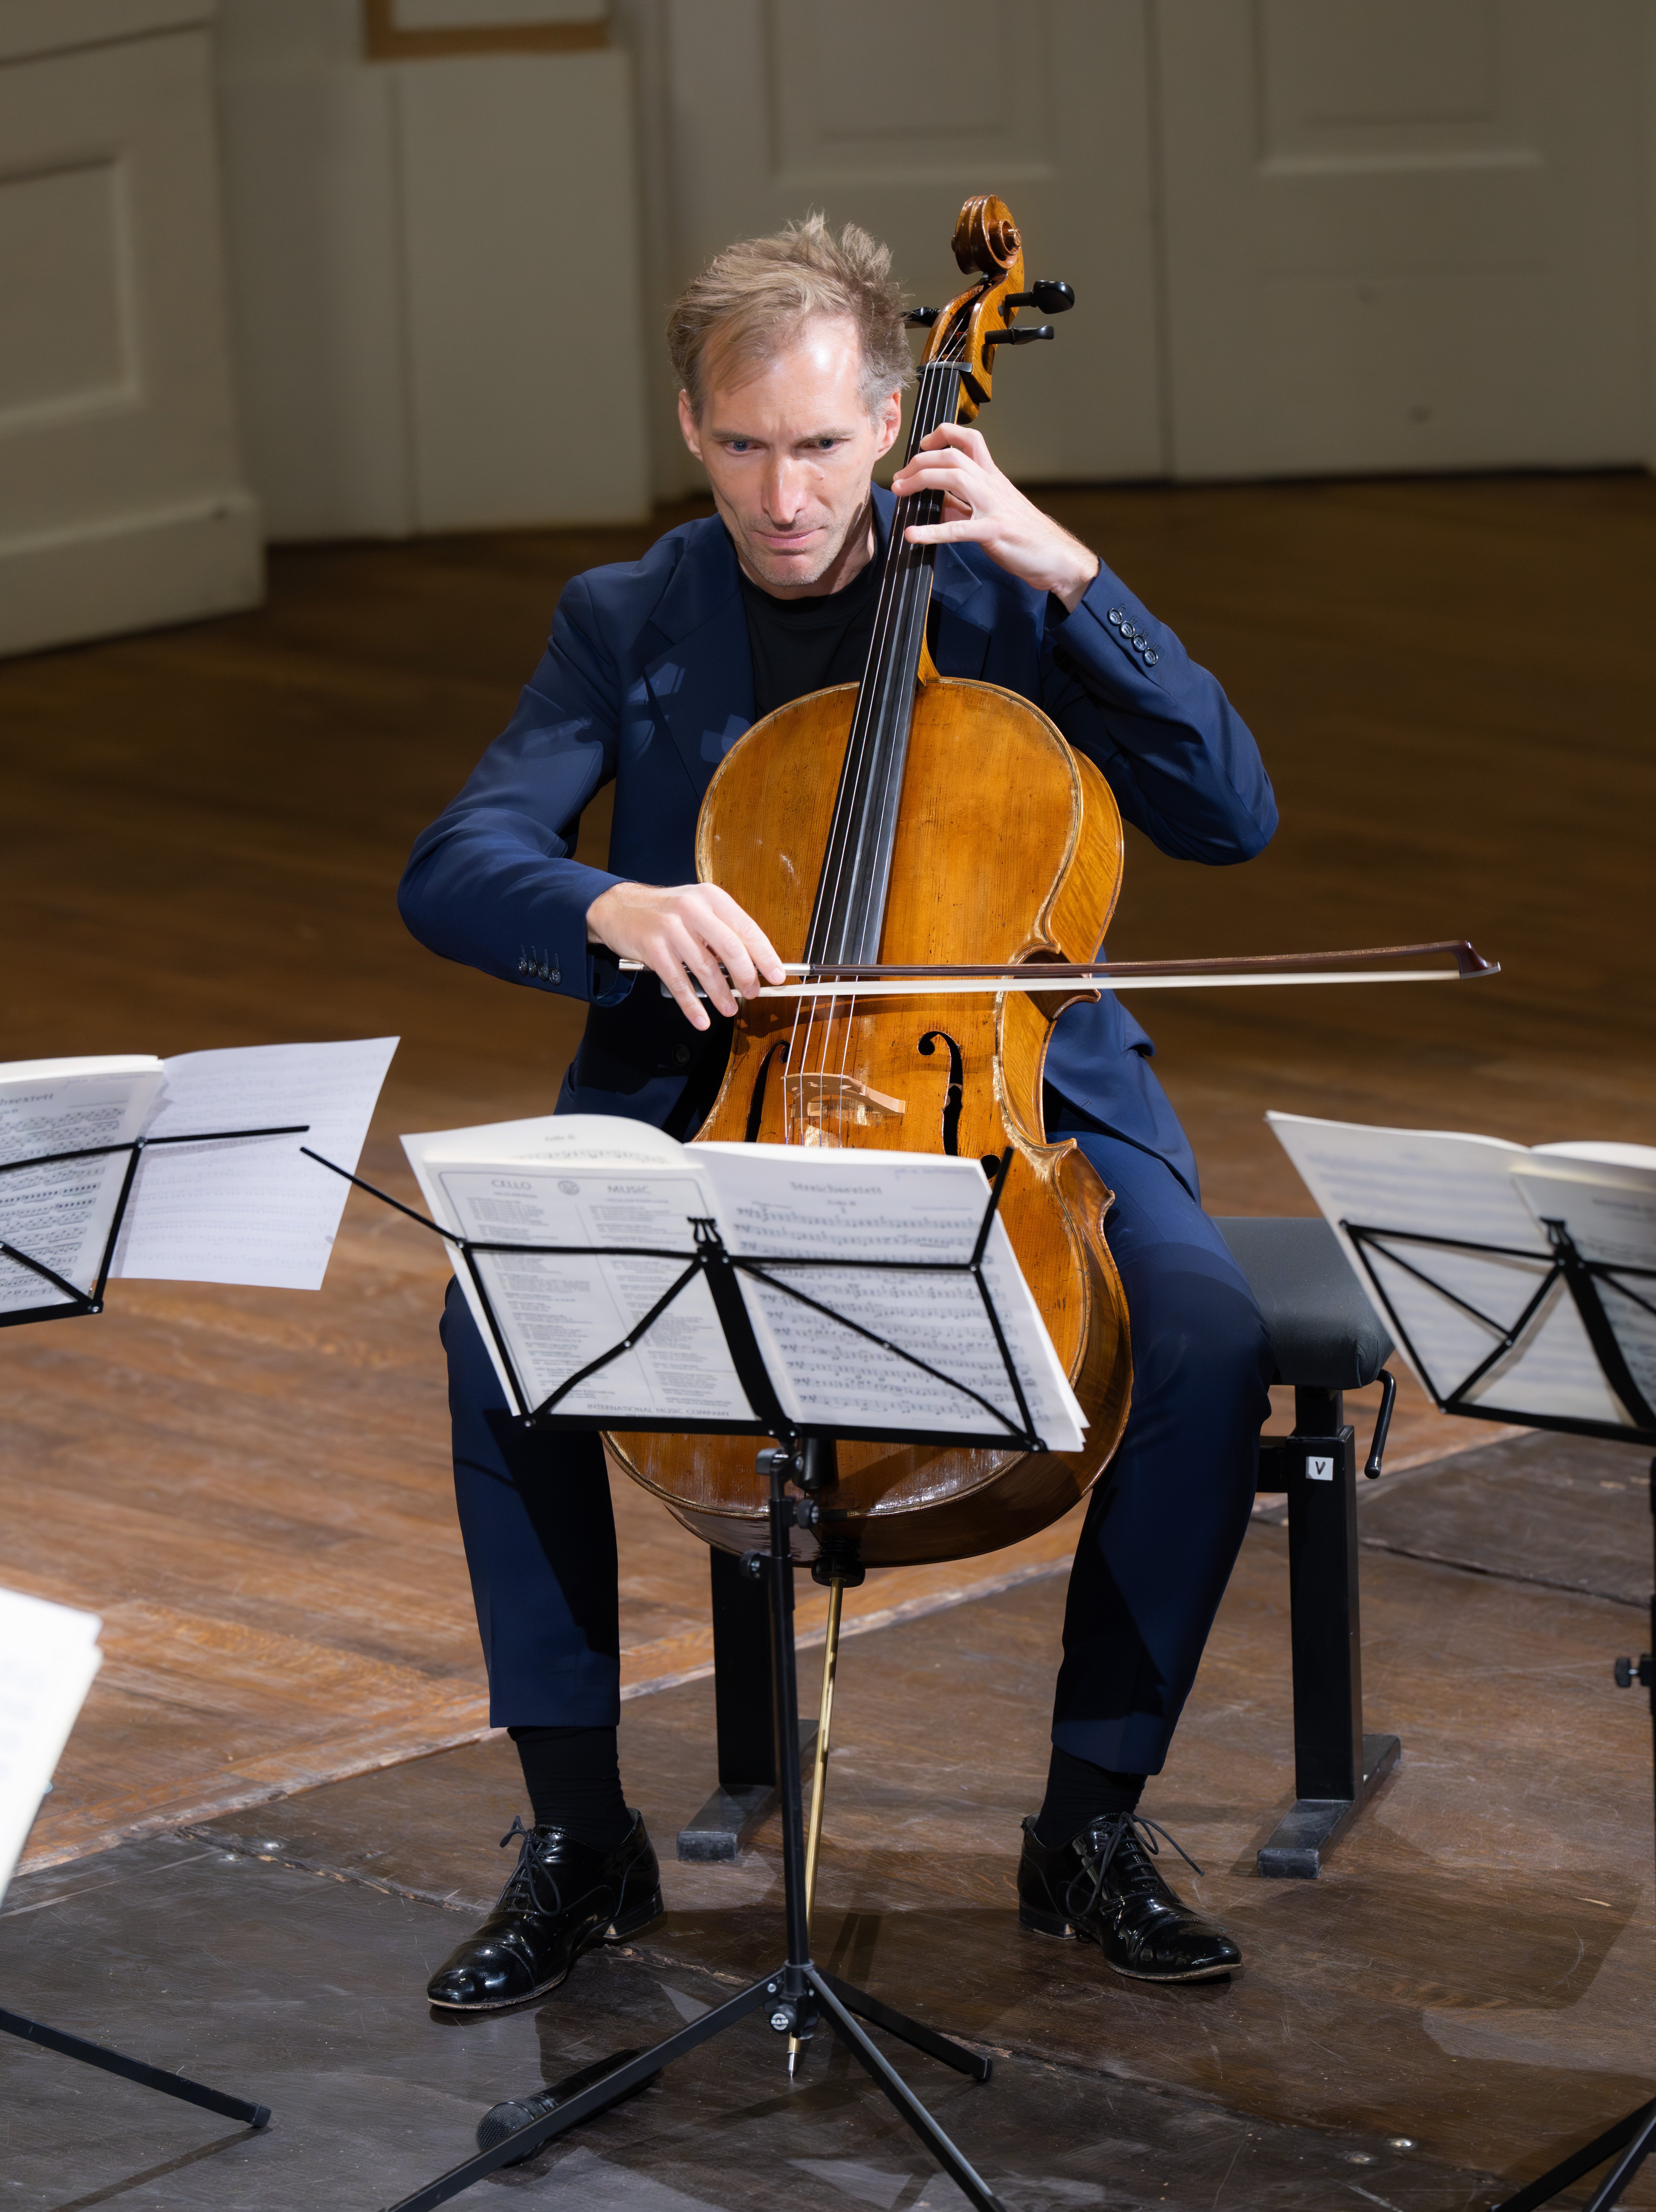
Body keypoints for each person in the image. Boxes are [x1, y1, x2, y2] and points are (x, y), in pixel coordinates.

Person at [398, 216, 1277, 2013]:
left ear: (892, 419)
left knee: (1201, 1329)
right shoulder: (627, 615)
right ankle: (577, 1832)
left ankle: (1088, 1824)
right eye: (739, 448)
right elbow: (458, 862)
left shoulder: (995, 590)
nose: (781, 494)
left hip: (1009, 1098)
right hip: (720, 1095)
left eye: (815, 447)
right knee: (494, 1322)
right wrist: (611, 909)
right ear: (690, 426)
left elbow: (1227, 811)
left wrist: (1069, 575)